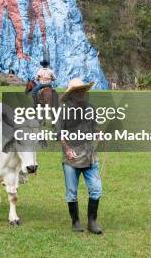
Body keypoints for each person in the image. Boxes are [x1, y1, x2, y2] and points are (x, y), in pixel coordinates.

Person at [55, 78, 103, 234]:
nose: (82, 93)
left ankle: (92, 222)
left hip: (90, 157)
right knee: (71, 192)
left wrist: (100, 134)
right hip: (72, 159)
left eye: (83, 90)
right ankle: (75, 222)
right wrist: (67, 149)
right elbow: (60, 134)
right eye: (78, 91)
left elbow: (95, 127)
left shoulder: (91, 108)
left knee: (96, 189)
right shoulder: (63, 111)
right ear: (72, 94)